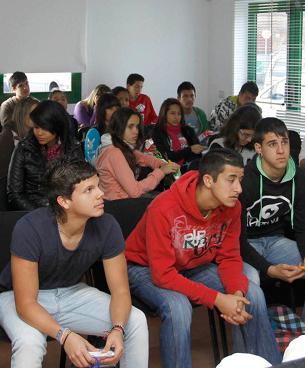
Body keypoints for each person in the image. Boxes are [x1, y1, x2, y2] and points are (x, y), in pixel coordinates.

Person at [126, 148, 281, 368]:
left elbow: (229, 257)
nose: (238, 188)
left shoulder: (232, 207)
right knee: (178, 308)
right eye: (231, 180)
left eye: (240, 179)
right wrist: (219, 300)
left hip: (191, 263)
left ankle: (267, 364)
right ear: (208, 180)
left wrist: (235, 295)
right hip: (144, 268)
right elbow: (162, 275)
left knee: (252, 294)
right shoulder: (163, 208)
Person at [0, 158, 149, 368]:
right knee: (29, 342)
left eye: (98, 186)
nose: (100, 194)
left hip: (71, 292)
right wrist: (65, 336)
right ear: (64, 201)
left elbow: (121, 292)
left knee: (135, 321)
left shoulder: (107, 225)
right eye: (89, 190)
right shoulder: (30, 228)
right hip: (18, 296)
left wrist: (117, 329)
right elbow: (25, 304)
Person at [240, 117, 305, 336]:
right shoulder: (245, 180)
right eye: (272, 144)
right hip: (244, 244)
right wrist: (268, 269)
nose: (281, 150)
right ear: (258, 149)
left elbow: (303, 228)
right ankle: (256, 349)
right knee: (252, 281)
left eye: (284, 142)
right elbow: (234, 239)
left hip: (275, 241)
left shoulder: (300, 179)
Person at [8, 100, 83, 210]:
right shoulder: (24, 148)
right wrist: (40, 214)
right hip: (33, 212)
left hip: (66, 210)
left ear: (57, 125)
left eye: (45, 127)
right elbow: (15, 194)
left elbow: (80, 186)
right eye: (36, 127)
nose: (39, 133)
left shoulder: (72, 148)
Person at [95, 107, 178, 201]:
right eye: (130, 126)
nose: (136, 131)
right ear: (119, 126)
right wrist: (161, 172)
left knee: (163, 197)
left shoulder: (119, 146)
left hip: (120, 200)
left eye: (137, 126)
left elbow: (143, 158)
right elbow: (135, 192)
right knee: (165, 200)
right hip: (118, 205)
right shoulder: (114, 153)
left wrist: (162, 164)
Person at [151, 98, 205, 172]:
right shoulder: (157, 132)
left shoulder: (188, 130)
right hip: (168, 171)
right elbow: (165, 156)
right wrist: (189, 150)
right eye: (172, 113)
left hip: (189, 168)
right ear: (164, 113)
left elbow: (197, 154)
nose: (176, 117)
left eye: (179, 114)